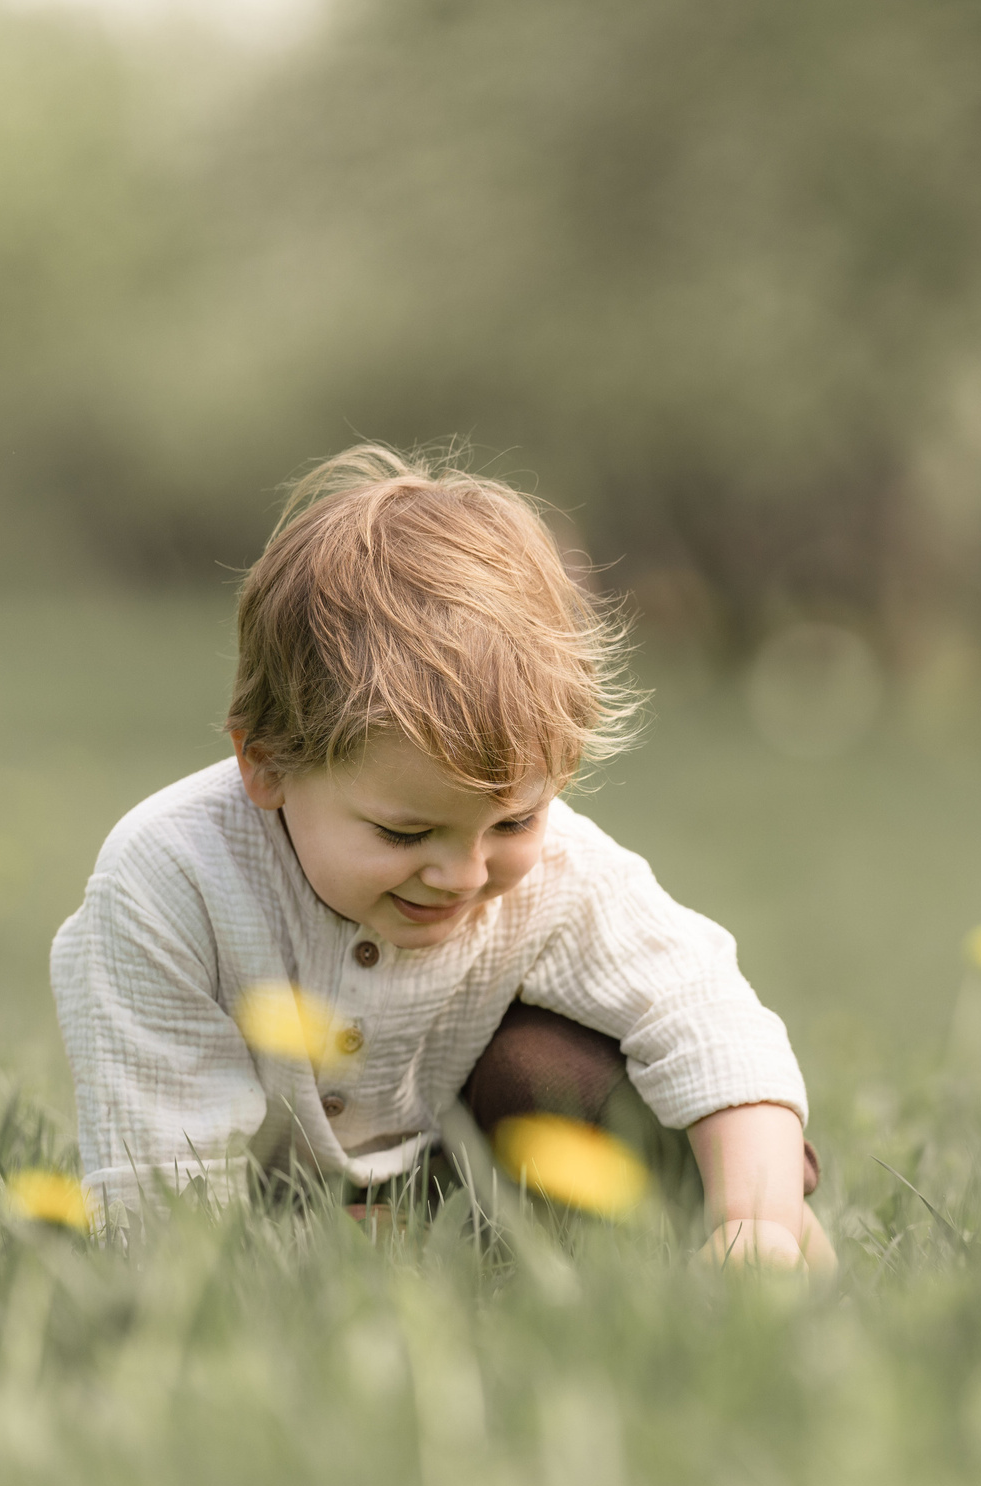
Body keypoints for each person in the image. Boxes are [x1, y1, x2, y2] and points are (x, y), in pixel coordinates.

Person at [51, 444, 832, 1268]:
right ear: (268, 765)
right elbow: (160, 1188)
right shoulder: (170, 879)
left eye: (512, 822)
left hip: (463, 1184)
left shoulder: (560, 868)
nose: (464, 875)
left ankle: (701, 1236)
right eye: (404, 833)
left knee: (553, 1068)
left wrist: (760, 1214)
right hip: (263, 1210)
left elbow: (705, 1014)